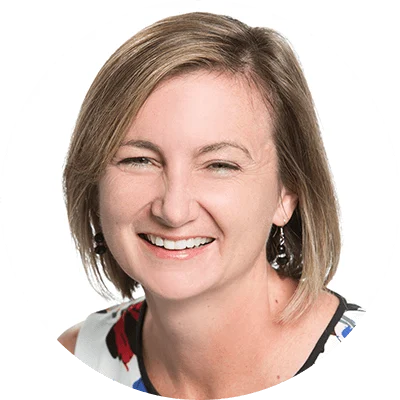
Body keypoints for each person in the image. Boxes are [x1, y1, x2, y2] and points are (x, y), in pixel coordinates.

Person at [57, 11, 365, 398]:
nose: (173, 210)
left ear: (287, 194)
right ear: (94, 183)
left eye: (219, 165)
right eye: (139, 160)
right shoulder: (80, 355)